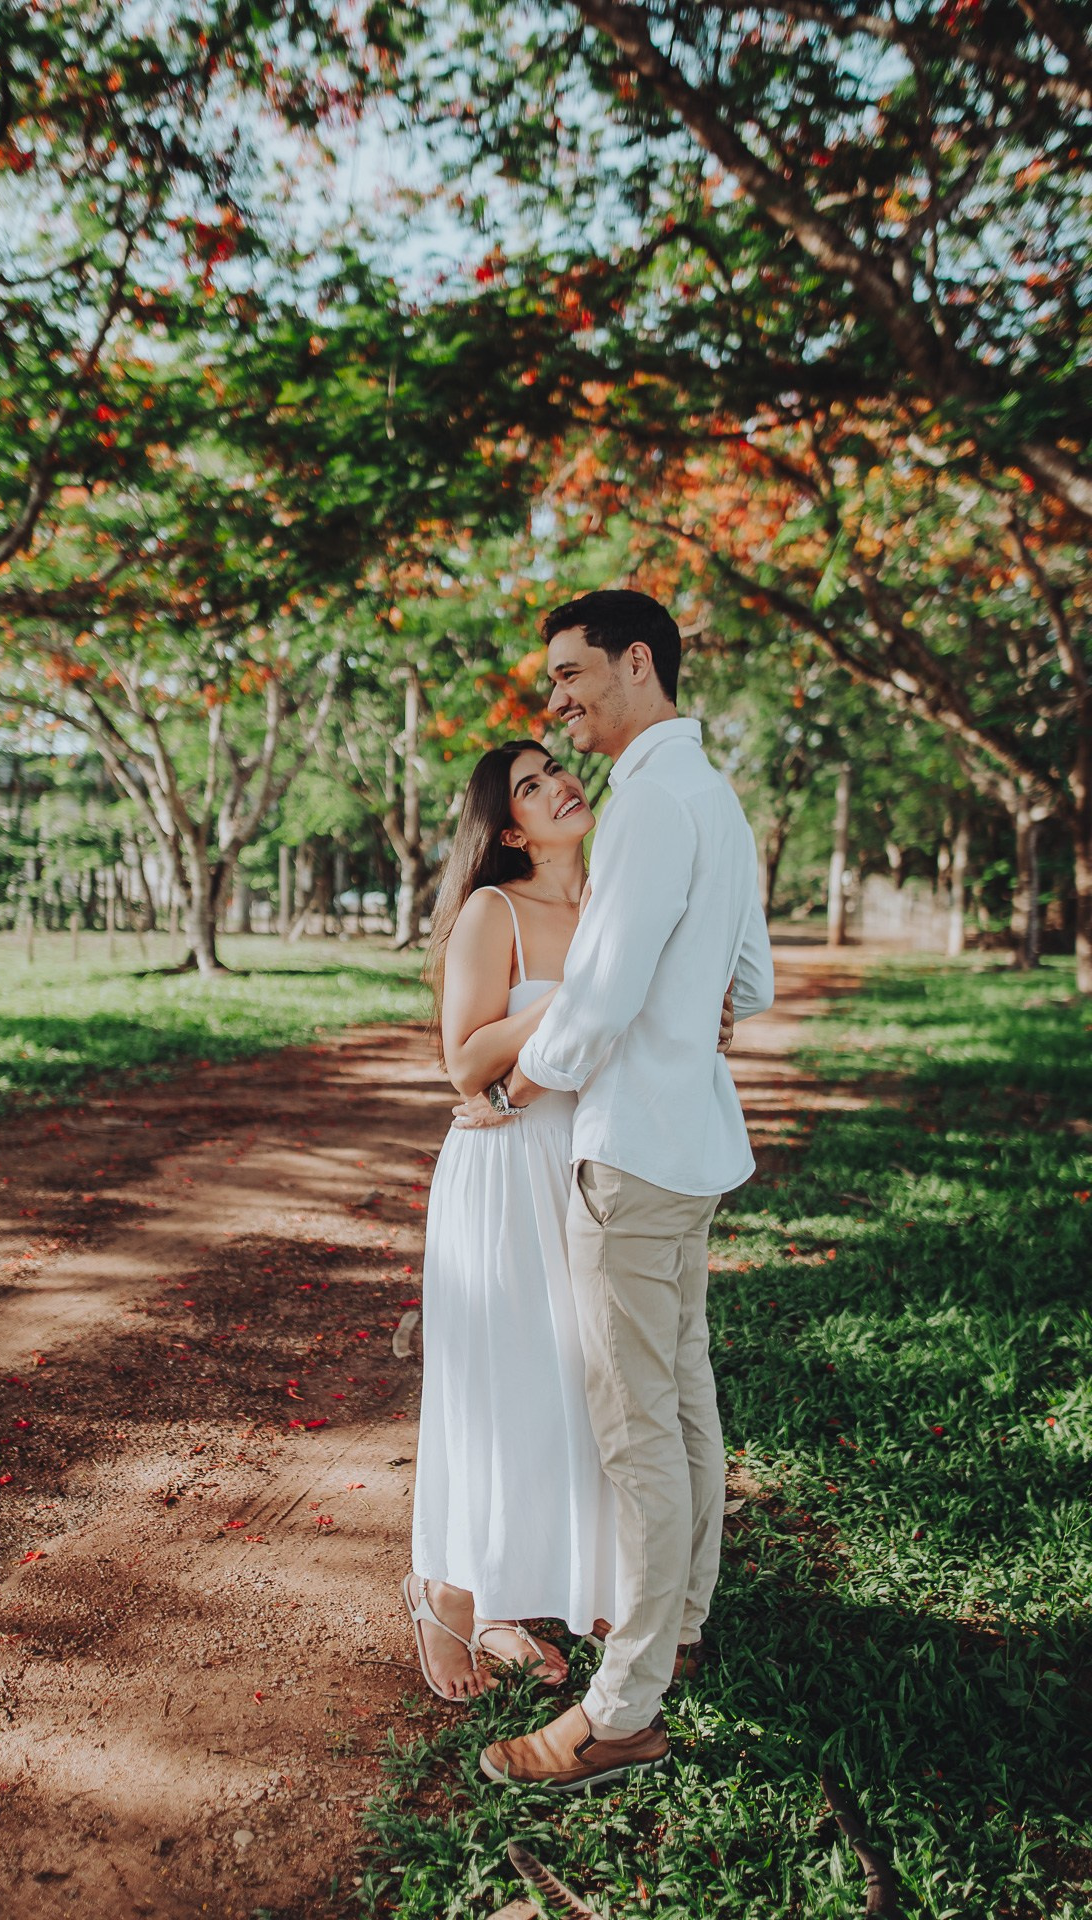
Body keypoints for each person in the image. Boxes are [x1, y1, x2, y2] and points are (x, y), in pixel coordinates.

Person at [470, 589, 775, 1793]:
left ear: (632, 663)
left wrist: (517, 1086)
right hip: (688, 1147)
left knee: (637, 1430)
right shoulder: (713, 795)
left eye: (569, 674)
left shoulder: (649, 803)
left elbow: (592, 1001)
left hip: (632, 1159)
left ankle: (622, 1709)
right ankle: (680, 1626)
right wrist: (679, 1017)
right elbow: (743, 982)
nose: (556, 700)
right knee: (683, 1399)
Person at [403, 740, 616, 1702]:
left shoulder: (614, 896)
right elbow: (464, 1062)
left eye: (557, 771)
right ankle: (446, 1596)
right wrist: (574, 996)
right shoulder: (496, 911)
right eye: (530, 786)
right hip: (504, 1162)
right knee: (498, 1386)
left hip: (593, 1162)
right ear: (506, 829)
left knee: (571, 1382)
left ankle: (517, 1597)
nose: (559, 785)